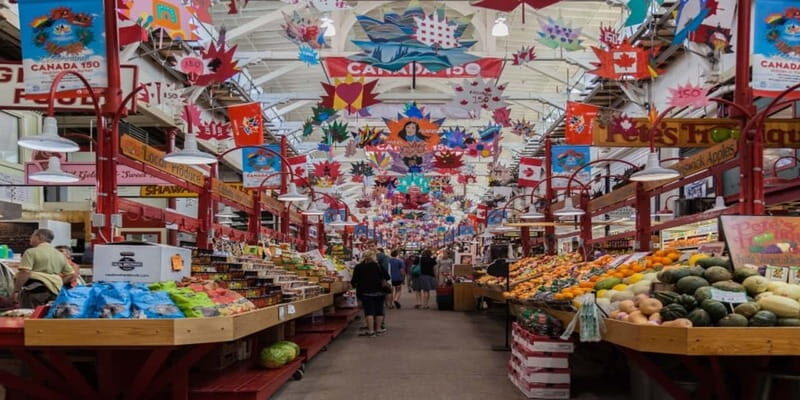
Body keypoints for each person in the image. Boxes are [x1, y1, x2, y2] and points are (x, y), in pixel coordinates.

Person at [13, 229, 76, 308]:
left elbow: (25, 272)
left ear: (39, 237)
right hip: (54, 292)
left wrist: (16, 291)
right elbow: (71, 274)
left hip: (34, 291)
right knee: (46, 317)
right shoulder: (59, 255)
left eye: (32, 236)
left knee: (30, 316)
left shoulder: (31, 252)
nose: (30, 238)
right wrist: (58, 281)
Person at [350, 250, 389, 337]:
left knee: (369, 312)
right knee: (379, 311)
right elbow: (387, 276)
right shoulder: (378, 266)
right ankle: (378, 329)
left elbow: (354, 280)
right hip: (380, 292)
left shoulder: (359, 267)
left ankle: (371, 331)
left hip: (366, 292)